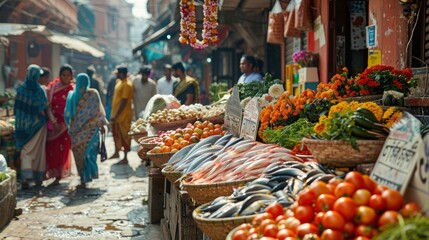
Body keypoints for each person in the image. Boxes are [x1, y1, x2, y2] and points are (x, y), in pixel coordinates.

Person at [64, 73, 108, 189]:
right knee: (87, 154)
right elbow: (100, 113)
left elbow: (67, 115)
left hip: (79, 132)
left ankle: (84, 178)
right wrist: (102, 125)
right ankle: (86, 176)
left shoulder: (73, 95)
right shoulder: (92, 94)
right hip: (91, 131)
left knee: (83, 154)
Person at [14, 64, 48, 189]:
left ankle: (25, 178)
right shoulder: (40, 90)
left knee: (25, 150)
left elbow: (16, 108)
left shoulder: (20, 89)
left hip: (22, 126)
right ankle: (38, 178)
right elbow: (43, 107)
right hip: (38, 125)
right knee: (39, 152)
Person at [45, 64, 75, 185]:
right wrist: (54, 121)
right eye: (64, 75)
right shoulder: (52, 88)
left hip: (67, 126)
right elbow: (48, 106)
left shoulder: (73, 90)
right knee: (52, 149)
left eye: (68, 75)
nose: (66, 78)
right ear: (60, 75)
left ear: (71, 76)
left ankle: (60, 174)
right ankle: (53, 172)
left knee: (64, 149)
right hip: (54, 124)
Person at [109, 65, 133, 164]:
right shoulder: (119, 83)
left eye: (118, 73)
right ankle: (116, 152)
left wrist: (116, 114)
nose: (116, 74)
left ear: (121, 73)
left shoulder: (127, 84)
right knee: (116, 134)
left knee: (125, 136)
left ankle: (125, 158)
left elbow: (124, 101)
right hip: (116, 114)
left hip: (123, 116)